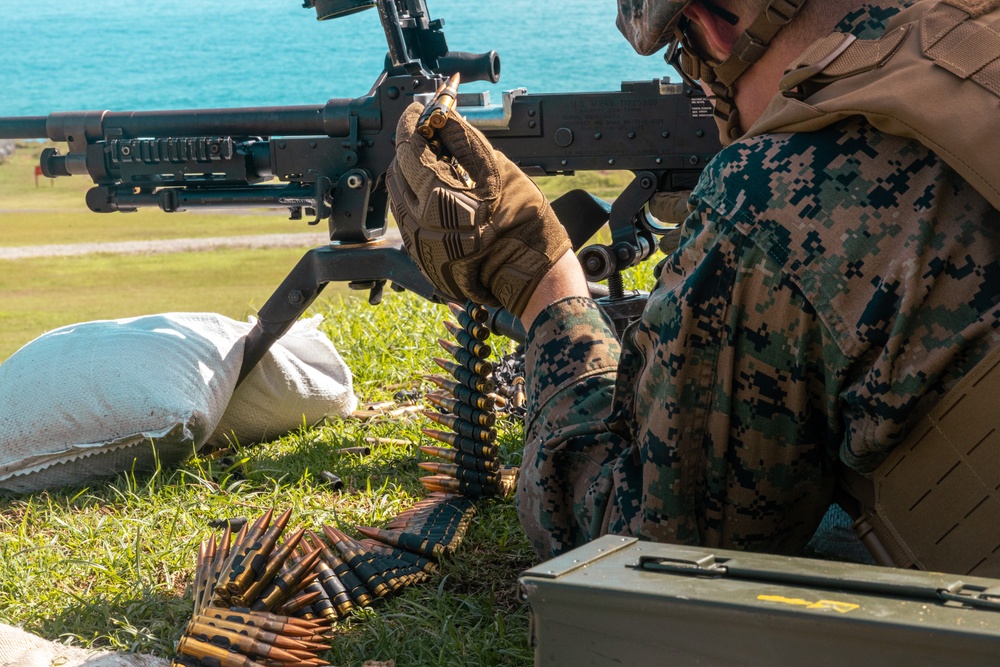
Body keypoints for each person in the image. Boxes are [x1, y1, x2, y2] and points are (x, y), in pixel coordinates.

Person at [386, 0, 1000, 568]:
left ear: (711, 27)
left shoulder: (777, 195)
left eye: (683, 56)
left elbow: (641, 553)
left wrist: (538, 286)